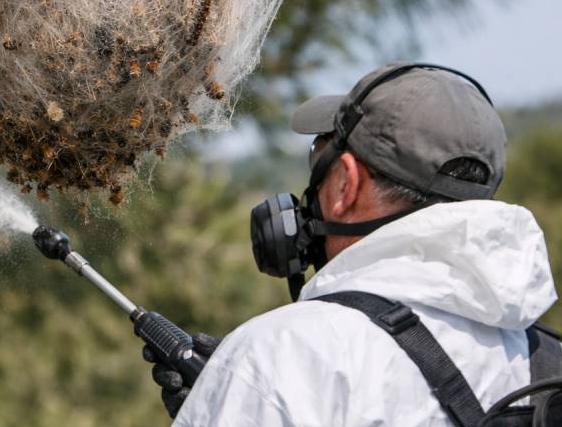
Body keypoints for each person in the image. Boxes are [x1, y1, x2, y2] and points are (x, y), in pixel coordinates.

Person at [147, 62, 560, 426]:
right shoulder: (547, 359)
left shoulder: (284, 355)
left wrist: (249, 390)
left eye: (319, 163)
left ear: (346, 183)